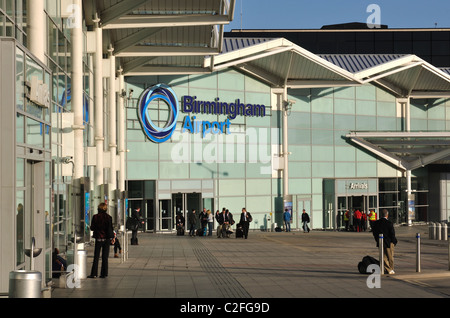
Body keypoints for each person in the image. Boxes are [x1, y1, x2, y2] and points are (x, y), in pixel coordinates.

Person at [88, 202, 115, 278]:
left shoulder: (95, 217)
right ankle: (104, 273)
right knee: (105, 257)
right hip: (106, 239)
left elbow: (92, 228)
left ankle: (94, 273)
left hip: (98, 238)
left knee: (96, 257)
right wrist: (112, 237)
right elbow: (110, 228)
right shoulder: (109, 217)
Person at [372, 209, 398, 275]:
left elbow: (374, 233)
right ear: (387, 215)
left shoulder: (376, 223)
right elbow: (392, 233)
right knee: (390, 257)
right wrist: (394, 241)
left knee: (383, 257)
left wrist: (377, 240)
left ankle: (387, 269)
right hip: (389, 242)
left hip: (381, 242)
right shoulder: (389, 223)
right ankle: (391, 269)